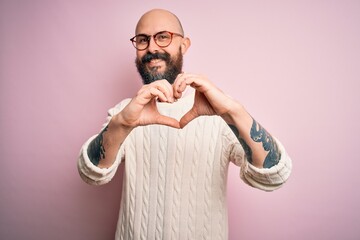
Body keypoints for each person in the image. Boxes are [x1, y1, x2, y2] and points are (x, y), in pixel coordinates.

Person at [78, 8, 292, 240]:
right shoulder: (124, 113)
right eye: (142, 40)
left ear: (184, 45)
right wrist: (122, 124)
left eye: (163, 36)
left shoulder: (220, 112)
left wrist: (231, 111)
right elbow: (90, 174)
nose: (152, 48)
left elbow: (274, 175)